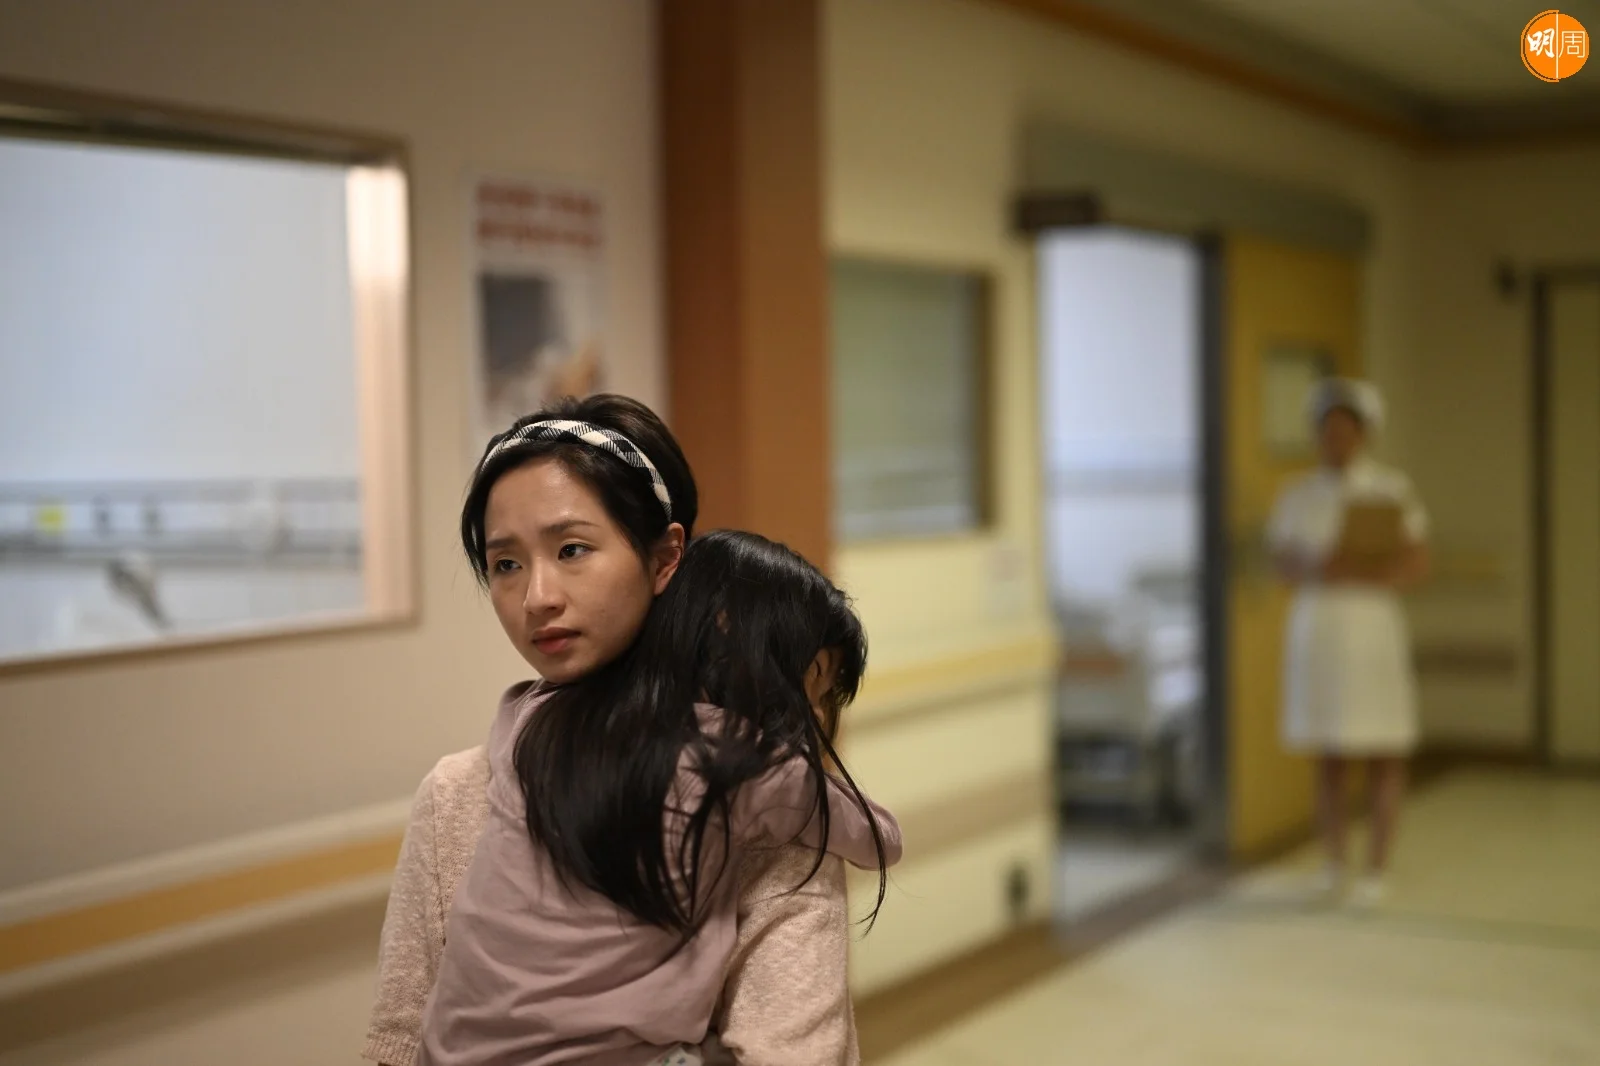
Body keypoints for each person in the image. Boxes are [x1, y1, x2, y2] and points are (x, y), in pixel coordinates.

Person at [364, 395, 880, 1065]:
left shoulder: (750, 803)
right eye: (506, 564)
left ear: (665, 557)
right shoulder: (457, 793)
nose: (538, 597)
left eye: (572, 549)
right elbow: (398, 1045)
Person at [420, 530, 900, 1066]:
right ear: (740, 643)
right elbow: (879, 837)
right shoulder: (747, 764)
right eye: (815, 686)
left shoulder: (532, 714)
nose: (815, 715)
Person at [1267, 378, 1430, 906]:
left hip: (1372, 628)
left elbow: (1415, 562)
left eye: (1346, 429)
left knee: (1384, 748)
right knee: (1329, 753)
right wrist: (1321, 565)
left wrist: (1362, 568)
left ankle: (1376, 868)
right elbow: (1280, 564)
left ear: (1365, 434)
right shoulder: (1297, 494)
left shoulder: (1390, 489)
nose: (1336, 439)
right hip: (1321, 628)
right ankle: (1334, 862)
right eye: (1327, 429)